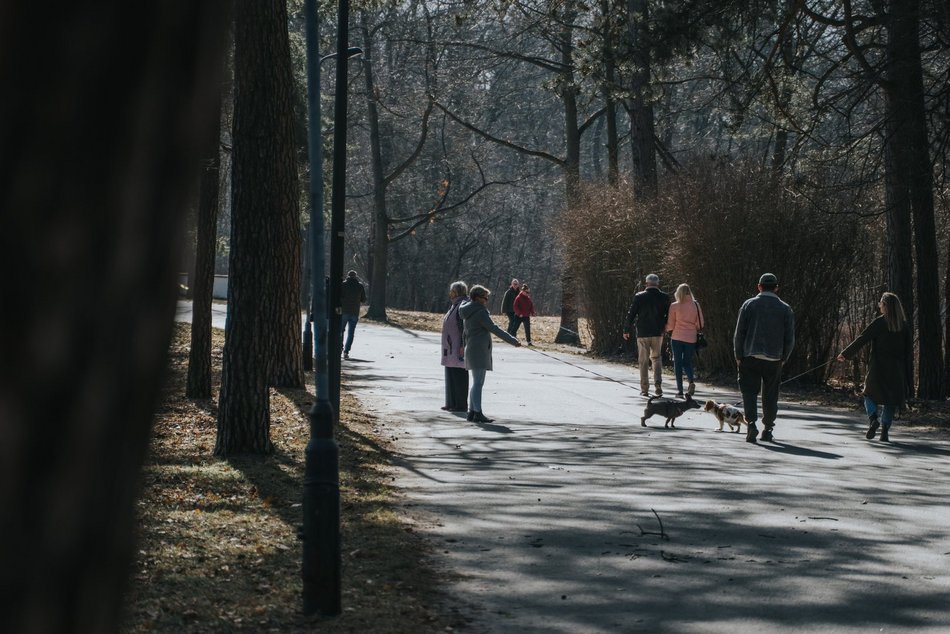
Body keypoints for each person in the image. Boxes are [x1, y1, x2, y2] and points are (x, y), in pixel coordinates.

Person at [836, 292, 912, 442]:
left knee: (868, 394)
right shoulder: (903, 326)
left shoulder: (880, 322)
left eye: (880, 303)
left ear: (885, 305)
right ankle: (884, 432)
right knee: (890, 401)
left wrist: (845, 354)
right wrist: (907, 377)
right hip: (896, 370)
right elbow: (908, 352)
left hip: (878, 368)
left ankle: (873, 419)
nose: (879, 306)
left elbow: (862, 338)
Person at [734, 272, 795, 443]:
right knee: (770, 395)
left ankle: (751, 424)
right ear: (776, 288)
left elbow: (739, 333)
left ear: (759, 286)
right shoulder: (785, 308)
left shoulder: (749, 305)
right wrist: (784, 357)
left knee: (749, 392)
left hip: (750, 355)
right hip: (774, 358)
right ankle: (768, 428)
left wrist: (738, 354)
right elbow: (789, 338)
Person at [460, 285, 522, 422]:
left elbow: (465, 333)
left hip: (472, 349)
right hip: (479, 351)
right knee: (478, 383)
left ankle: (472, 412)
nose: (486, 300)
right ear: (477, 298)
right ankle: (478, 412)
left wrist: (464, 347)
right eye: (485, 298)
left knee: (476, 382)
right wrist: (512, 340)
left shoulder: (467, 310)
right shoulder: (480, 311)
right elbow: (494, 328)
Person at [623, 273, 671, 397]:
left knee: (643, 361)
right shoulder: (665, 297)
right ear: (658, 284)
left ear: (646, 283)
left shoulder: (639, 297)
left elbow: (631, 313)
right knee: (657, 358)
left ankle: (644, 388)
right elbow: (669, 315)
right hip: (657, 332)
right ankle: (658, 384)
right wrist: (665, 326)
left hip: (643, 332)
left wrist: (626, 329)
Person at [665, 283, 704, 398]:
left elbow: (671, 325)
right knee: (687, 362)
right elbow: (700, 323)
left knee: (677, 363)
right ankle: (691, 381)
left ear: (678, 292)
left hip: (677, 337)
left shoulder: (674, 305)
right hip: (691, 338)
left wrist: (666, 329)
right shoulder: (696, 305)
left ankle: (680, 391)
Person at [440, 281, 469, 412]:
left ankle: (460, 404)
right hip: (449, 347)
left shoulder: (463, 305)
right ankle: (450, 403)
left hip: (458, 347)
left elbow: (464, 328)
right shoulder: (454, 305)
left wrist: (463, 345)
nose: (449, 294)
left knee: (459, 376)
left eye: (452, 291)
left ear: (457, 292)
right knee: (450, 374)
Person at [340, 270, 366, 360]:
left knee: (341, 331)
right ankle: (346, 351)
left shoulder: (343, 285)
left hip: (344, 311)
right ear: (356, 276)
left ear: (348, 276)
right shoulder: (360, 286)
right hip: (354, 312)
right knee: (351, 333)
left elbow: (339, 296)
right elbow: (363, 299)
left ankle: (340, 347)